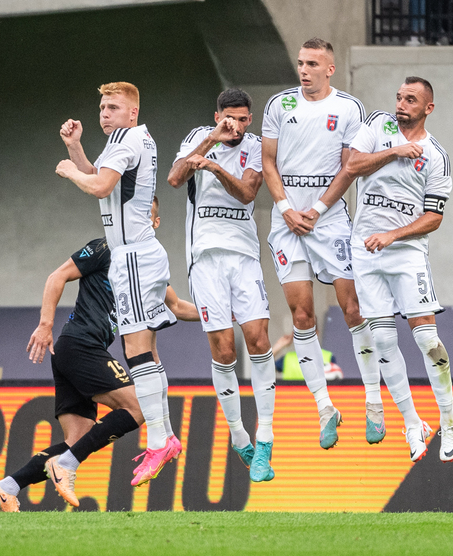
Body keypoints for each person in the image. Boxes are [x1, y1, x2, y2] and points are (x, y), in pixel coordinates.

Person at [0, 198, 197, 511]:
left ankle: (6, 488)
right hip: (80, 345)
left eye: (145, 215)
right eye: (132, 214)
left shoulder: (149, 267)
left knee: (77, 440)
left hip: (77, 351)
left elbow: (176, 306)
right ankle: (66, 465)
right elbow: (56, 276)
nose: (136, 219)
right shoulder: (105, 248)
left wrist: (219, 313)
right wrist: (45, 324)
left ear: (155, 223)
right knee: (140, 405)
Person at [55, 82, 180, 487]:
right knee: (146, 352)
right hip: (134, 256)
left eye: (113, 107)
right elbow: (100, 177)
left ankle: (160, 441)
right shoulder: (126, 140)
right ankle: (165, 437)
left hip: (134, 256)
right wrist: (76, 148)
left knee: (137, 351)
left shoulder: (128, 140)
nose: (104, 114)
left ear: (132, 112)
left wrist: (69, 170)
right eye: (102, 107)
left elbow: (99, 186)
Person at [261, 38, 384, 449]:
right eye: (301, 63)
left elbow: (350, 168)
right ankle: (325, 408)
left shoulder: (348, 107)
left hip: (328, 221)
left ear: (330, 69)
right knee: (301, 315)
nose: (304, 70)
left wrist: (315, 209)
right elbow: (268, 162)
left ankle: (373, 402)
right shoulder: (280, 104)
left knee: (353, 308)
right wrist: (285, 208)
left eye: (313, 64)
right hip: (287, 222)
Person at [345, 76, 453, 462]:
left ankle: (448, 420)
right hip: (365, 251)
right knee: (382, 340)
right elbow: (352, 165)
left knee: (427, 340)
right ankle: (413, 424)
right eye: (399, 97)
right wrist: (394, 152)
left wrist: (393, 235)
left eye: (410, 99)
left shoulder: (436, 155)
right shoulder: (378, 125)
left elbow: (434, 217)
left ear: (428, 108)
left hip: (406, 252)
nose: (401, 104)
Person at [166, 88, 278, 482]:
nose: (237, 126)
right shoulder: (199, 137)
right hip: (204, 257)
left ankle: (265, 439)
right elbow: (175, 179)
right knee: (224, 349)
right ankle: (239, 435)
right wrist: (210, 140)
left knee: (258, 339)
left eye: (244, 119)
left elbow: (247, 194)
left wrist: (212, 167)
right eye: (230, 119)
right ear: (217, 116)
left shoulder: (257, 146)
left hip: (243, 255)